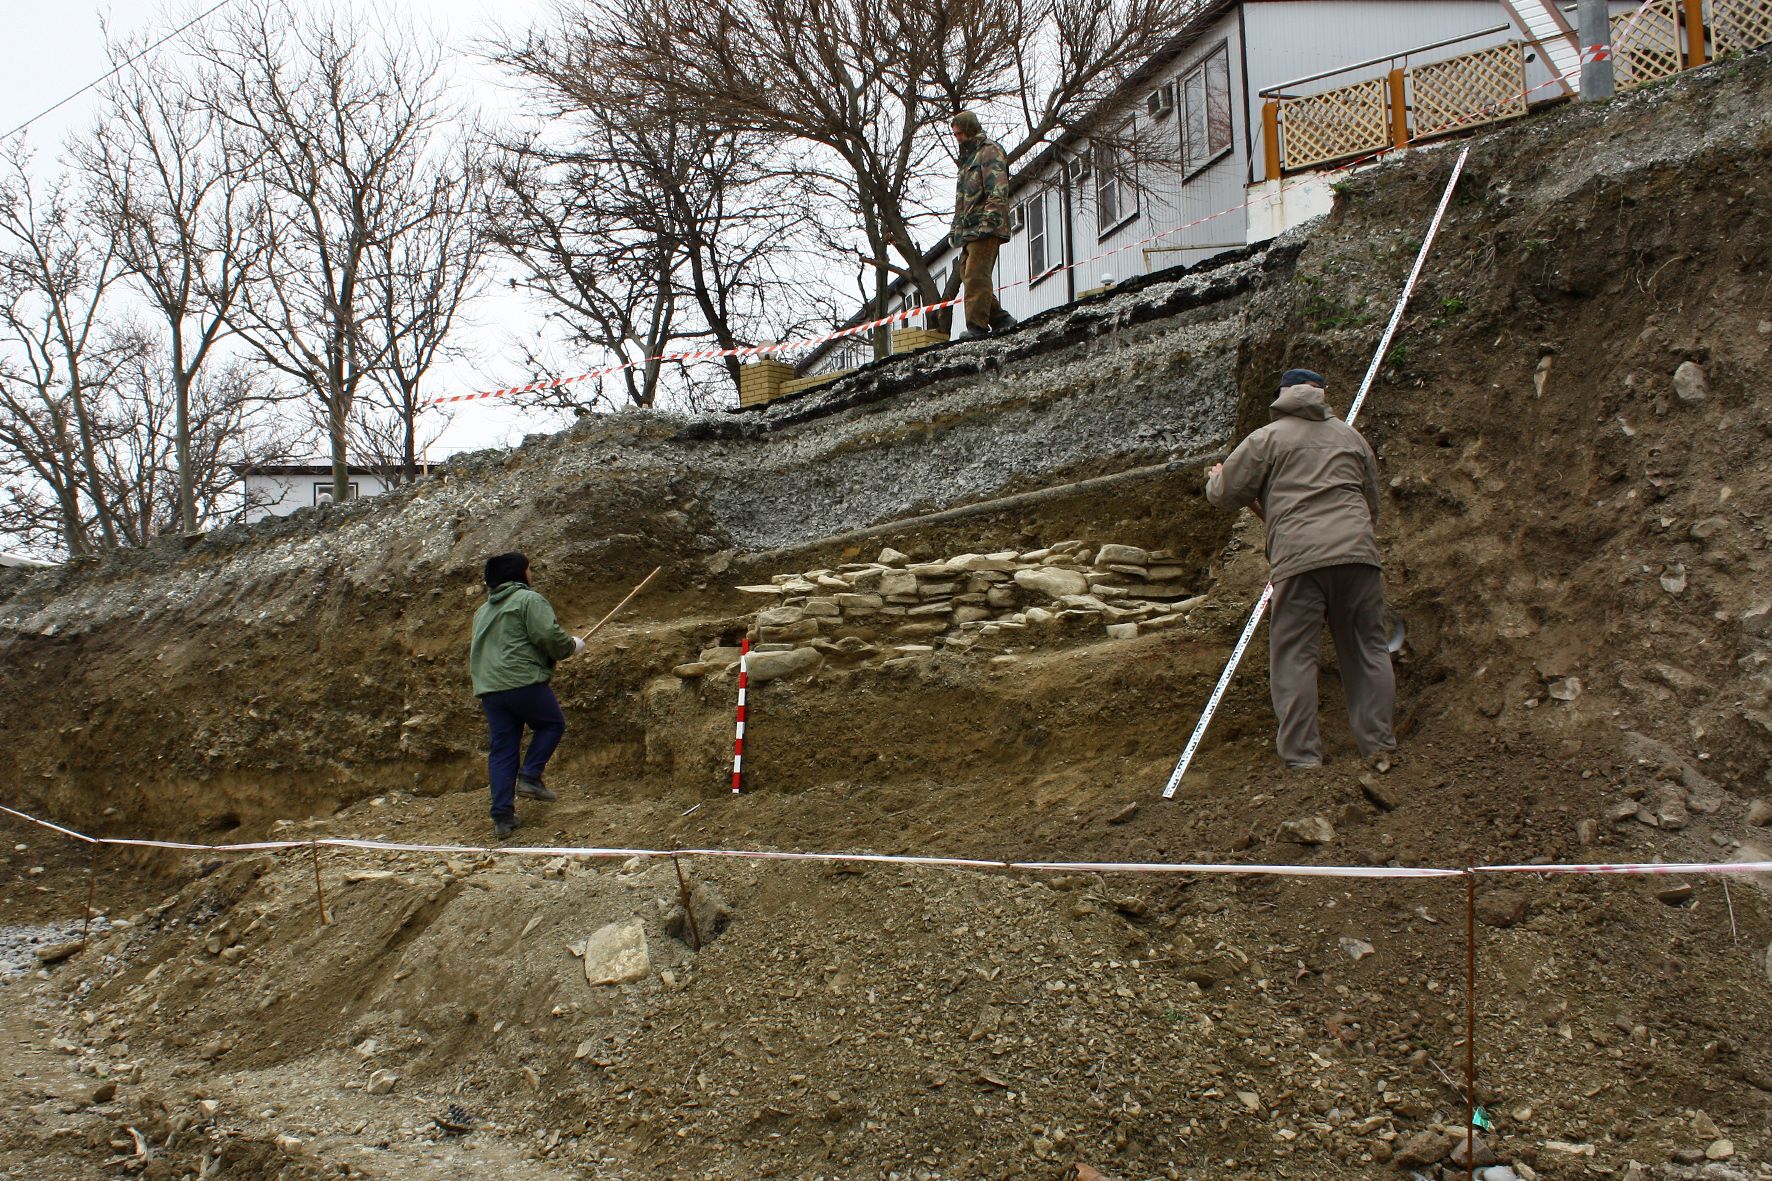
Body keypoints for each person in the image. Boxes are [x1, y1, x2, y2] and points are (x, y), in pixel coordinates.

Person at [1204, 369, 1398, 772]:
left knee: (1294, 657)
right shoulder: (1351, 438)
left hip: (1299, 562)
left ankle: (1303, 760)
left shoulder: (1267, 438)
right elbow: (1372, 504)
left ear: (1282, 396)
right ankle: (1379, 748)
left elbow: (1225, 496)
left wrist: (1217, 478)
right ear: (1321, 394)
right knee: (1369, 650)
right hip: (1358, 557)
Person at [470, 552, 584, 838]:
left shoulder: (483, 611)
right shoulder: (529, 600)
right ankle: (531, 776)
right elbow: (547, 636)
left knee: (502, 749)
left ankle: (502, 817)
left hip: (490, 689)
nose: (531, 574)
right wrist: (571, 646)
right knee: (552, 724)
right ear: (518, 573)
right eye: (529, 569)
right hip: (522, 681)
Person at [948, 110, 1018, 339]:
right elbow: (962, 200)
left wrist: (989, 222)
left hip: (987, 226)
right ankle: (1000, 318)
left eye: (959, 133)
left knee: (976, 274)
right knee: (968, 273)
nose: (957, 137)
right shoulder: (967, 159)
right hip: (970, 229)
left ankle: (976, 327)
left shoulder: (989, 151)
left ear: (969, 129)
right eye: (955, 134)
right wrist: (955, 229)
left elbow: (998, 189)